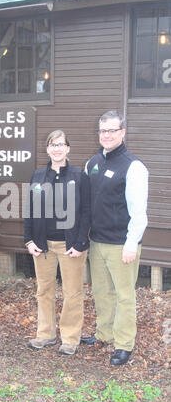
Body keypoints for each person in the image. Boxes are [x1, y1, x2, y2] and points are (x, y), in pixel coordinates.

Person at [82, 110, 148, 365]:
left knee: (124, 296)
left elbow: (138, 212)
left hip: (122, 244)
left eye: (112, 130)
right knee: (101, 291)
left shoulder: (134, 167)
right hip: (97, 242)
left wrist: (131, 244)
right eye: (102, 130)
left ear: (123, 132)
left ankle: (123, 344)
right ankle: (104, 334)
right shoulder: (93, 163)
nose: (106, 135)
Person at [24, 129, 91, 355]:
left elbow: (86, 212)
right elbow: (30, 210)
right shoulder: (38, 176)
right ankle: (46, 334)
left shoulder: (79, 176)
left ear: (68, 148)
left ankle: (70, 338)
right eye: (53, 145)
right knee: (44, 291)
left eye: (61, 144)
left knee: (72, 293)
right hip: (43, 245)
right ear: (48, 149)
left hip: (69, 245)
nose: (57, 148)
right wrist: (29, 240)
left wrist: (80, 243)